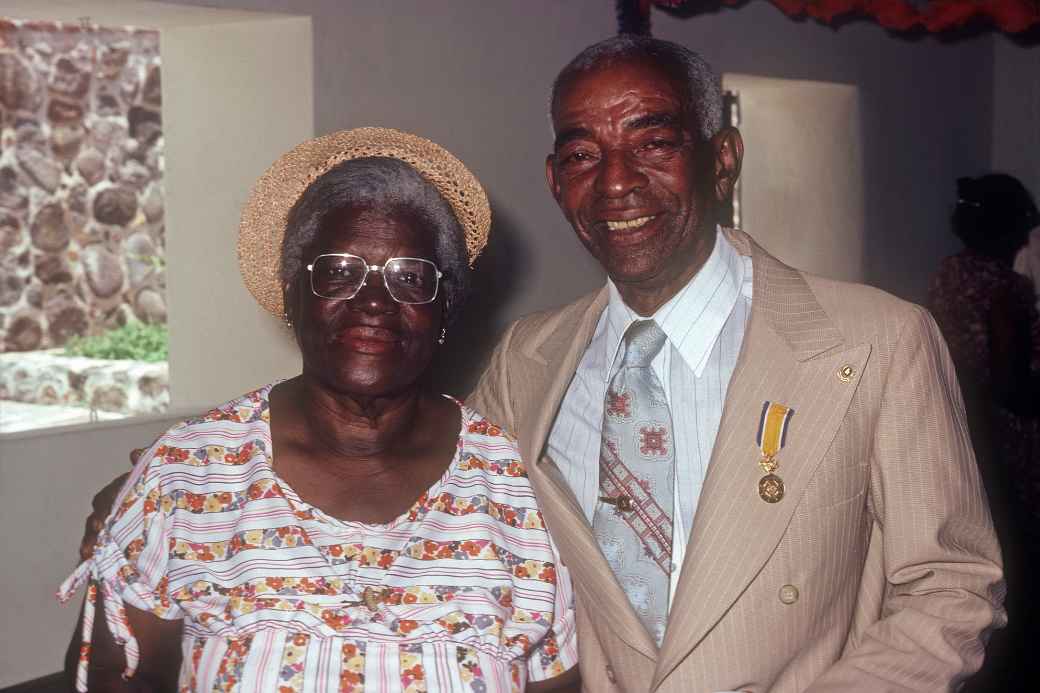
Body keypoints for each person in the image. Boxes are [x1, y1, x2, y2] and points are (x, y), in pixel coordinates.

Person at [79, 37, 1005, 692]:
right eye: (582, 153)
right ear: (557, 180)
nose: (617, 182)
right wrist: (163, 488)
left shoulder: (874, 342)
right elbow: (411, 474)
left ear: (722, 158)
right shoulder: (533, 358)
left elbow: (954, 584)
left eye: (653, 140)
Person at [60, 127, 579, 692]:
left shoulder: (516, 485)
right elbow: (113, 677)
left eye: (409, 277)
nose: (374, 301)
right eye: (338, 271)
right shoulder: (188, 473)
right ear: (291, 293)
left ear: (444, 309)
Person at [929, 174, 1040, 690]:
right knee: (1016, 556)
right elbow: (1012, 383)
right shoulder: (1004, 288)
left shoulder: (949, 273)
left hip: (958, 427)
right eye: (1023, 227)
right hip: (1005, 437)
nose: (1026, 240)